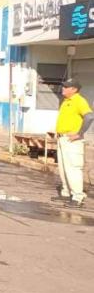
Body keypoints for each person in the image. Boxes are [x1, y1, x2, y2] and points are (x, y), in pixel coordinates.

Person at [54, 78, 92, 208]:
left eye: (66, 87)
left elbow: (89, 116)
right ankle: (67, 192)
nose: (63, 89)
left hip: (72, 141)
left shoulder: (79, 101)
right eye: (64, 86)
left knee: (73, 169)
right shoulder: (66, 101)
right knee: (63, 168)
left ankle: (77, 196)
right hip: (62, 138)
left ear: (74, 89)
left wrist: (79, 133)